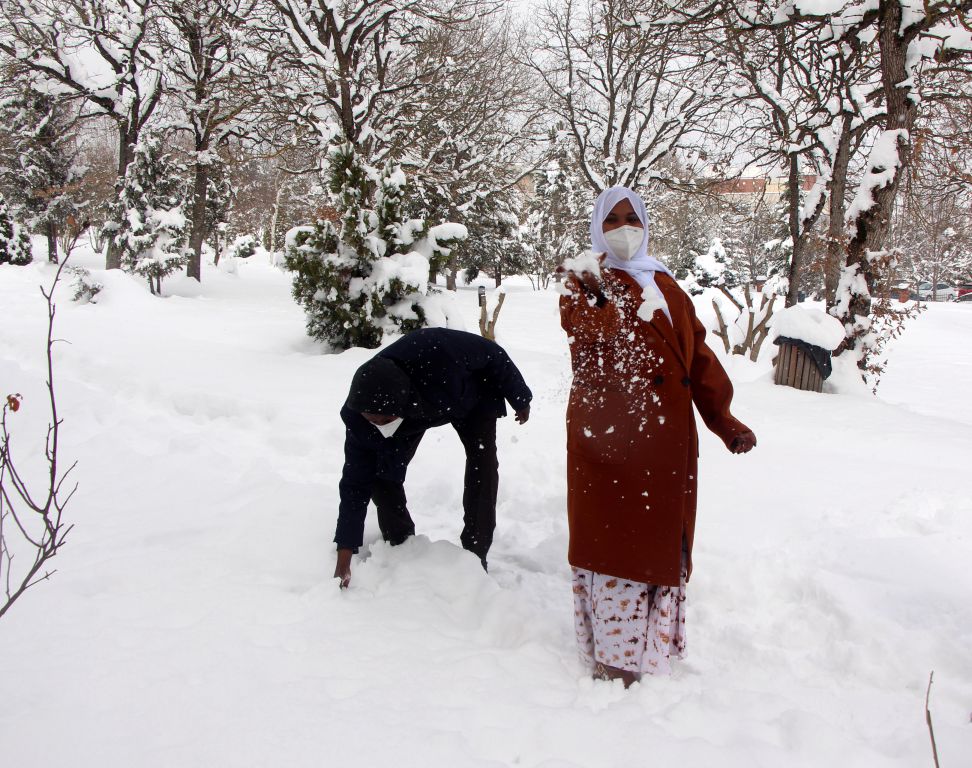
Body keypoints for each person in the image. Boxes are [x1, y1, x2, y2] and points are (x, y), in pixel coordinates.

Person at [560, 186, 757, 687]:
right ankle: (615, 659)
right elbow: (591, 333)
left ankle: (651, 652)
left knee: (657, 548)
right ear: (596, 228)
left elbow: (698, 359)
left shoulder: (666, 284)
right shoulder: (582, 281)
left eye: (632, 218)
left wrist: (723, 419)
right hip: (612, 442)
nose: (623, 228)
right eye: (611, 220)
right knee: (619, 550)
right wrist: (595, 287)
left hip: (666, 442)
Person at [333, 327, 533, 588]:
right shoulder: (360, 417)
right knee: (381, 473)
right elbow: (354, 483)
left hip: (472, 397)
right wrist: (344, 556)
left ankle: (475, 554)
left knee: (482, 467)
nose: (379, 424)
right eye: (373, 420)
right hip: (412, 414)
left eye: (385, 420)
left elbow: (492, 353)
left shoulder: (436, 350)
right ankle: (401, 544)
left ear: (402, 403)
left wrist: (520, 398)